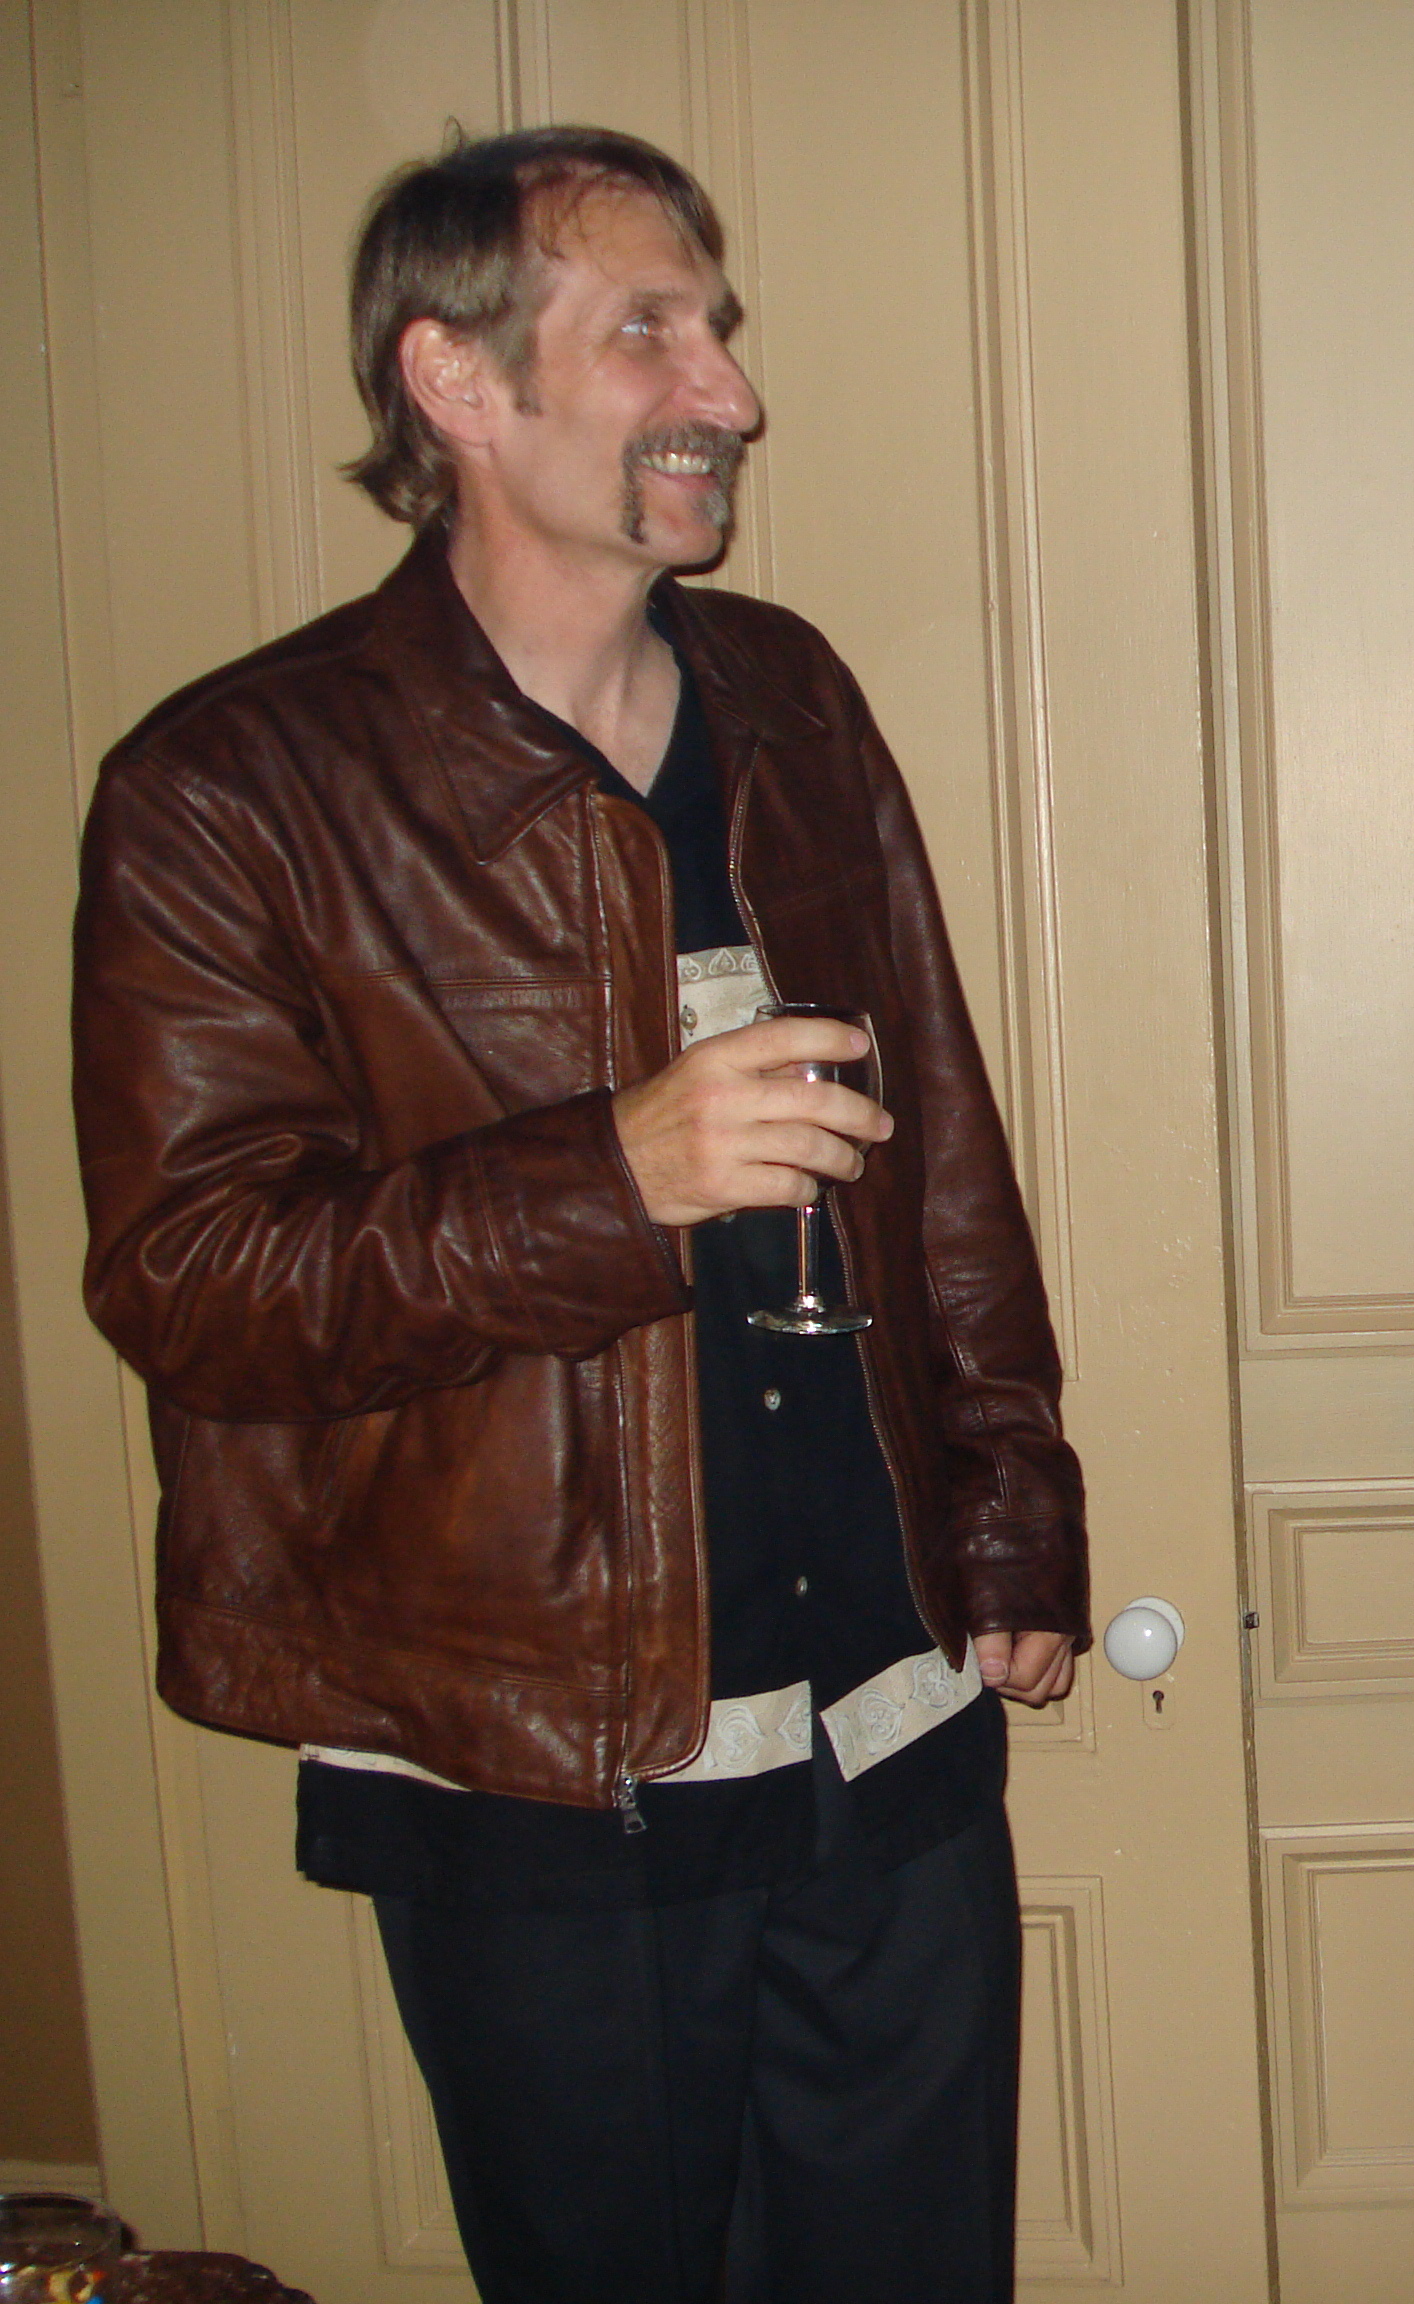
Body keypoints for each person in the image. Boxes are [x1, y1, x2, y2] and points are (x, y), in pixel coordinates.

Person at [69, 127, 1083, 2301]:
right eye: (651, 332)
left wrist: (1012, 1513)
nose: (730, 392)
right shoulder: (229, 787)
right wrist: (611, 1178)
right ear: (454, 379)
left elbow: (944, 1149)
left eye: (718, 330)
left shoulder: (792, 697)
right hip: (532, 1764)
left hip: (889, 1714)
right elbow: (195, 1287)